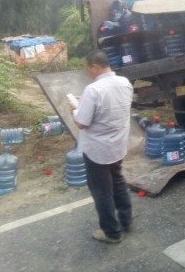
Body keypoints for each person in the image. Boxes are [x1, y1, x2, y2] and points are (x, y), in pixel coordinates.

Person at [72, 50, 134, 243]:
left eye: (88, 68)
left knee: (102, 191)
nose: (88, 72)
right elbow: (112, 105)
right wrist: (85, 102)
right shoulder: (125, 82)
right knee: (117, 180)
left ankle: (112, 232)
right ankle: (126, 221)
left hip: (97, 150)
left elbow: (82, 123)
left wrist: (75, 108)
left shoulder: (94, 89)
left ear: (95, 66)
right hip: (117, 145)